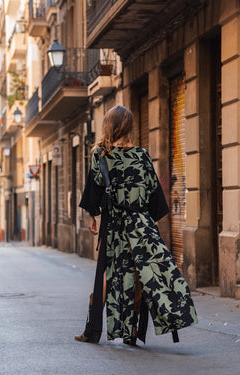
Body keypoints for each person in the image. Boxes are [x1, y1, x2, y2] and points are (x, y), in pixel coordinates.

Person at [75, 105, 198, 345]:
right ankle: (132, 332)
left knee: (107, 275)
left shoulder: (101, 154)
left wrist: (92, 216)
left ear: (109, 126)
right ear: (129, 126)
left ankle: (93, 330)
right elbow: (154, 192)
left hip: (113, 226)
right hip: (140, 225)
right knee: (142, 275)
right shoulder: (141, 155)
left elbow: (95, 186)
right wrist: (144, 218)